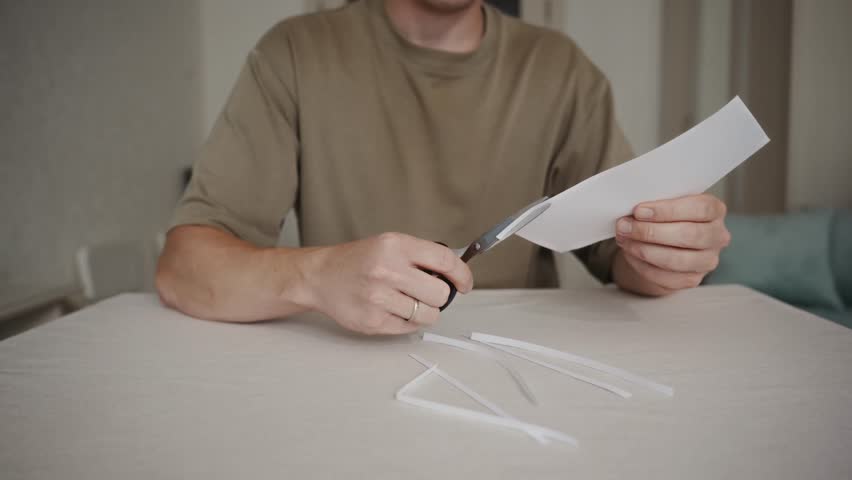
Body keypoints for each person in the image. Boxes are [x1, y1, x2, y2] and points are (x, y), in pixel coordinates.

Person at [156, 0, 731, 335]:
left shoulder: (561, 70)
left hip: (525, 382)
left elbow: (621, 260)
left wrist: (661, 257)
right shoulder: (295, 54)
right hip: (340, 379)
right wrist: (316, 275)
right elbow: (183, 269)